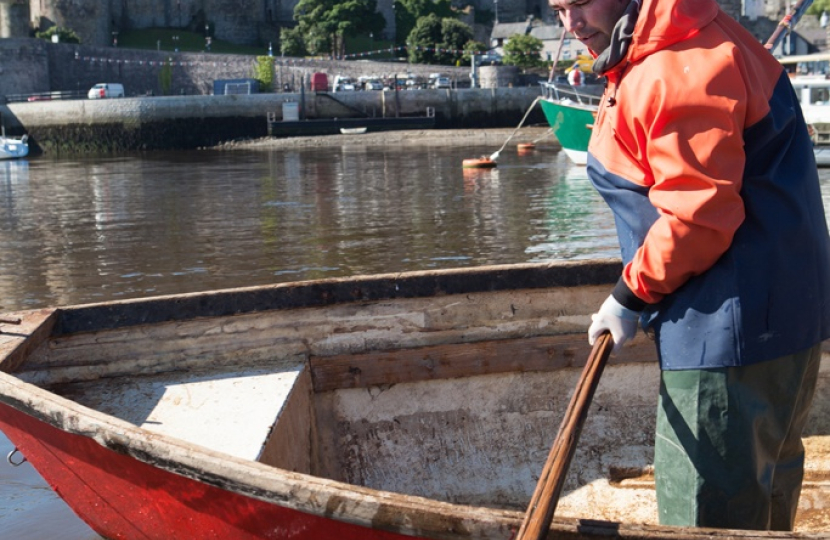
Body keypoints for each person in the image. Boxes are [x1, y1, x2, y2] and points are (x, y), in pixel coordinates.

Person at [551, 0, 830, 531]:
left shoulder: (672, 66)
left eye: (581, 3)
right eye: (558, 8)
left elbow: (700, 218)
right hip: (784, 321)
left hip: (722, 334)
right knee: (764, 503)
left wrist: (628, 294)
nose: (571, 24)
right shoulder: (706, 35)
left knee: (703, 518)